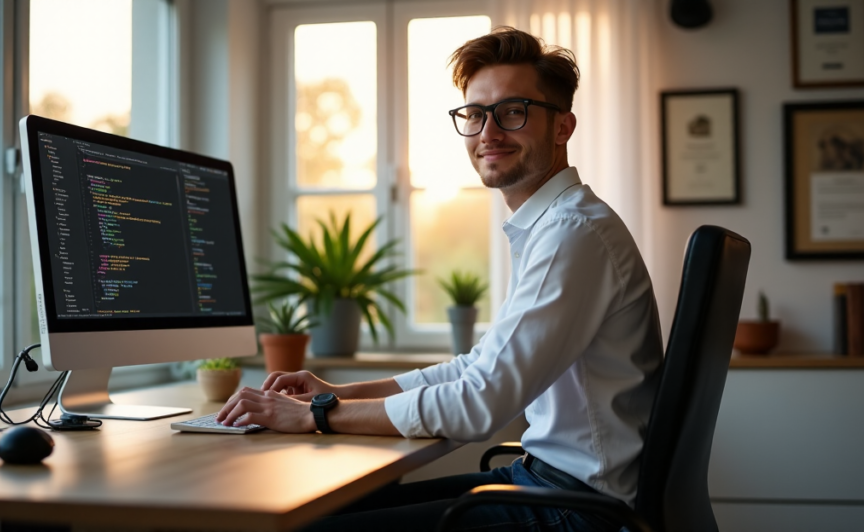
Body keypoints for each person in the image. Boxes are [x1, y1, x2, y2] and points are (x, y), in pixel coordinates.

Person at [217, 26, 663, 532]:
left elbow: (479, 402)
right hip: (553, 484)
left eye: (512, 111)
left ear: (562, 127)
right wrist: (342, 392)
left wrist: (318, 413)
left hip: (579, 508)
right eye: (475, 114)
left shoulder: (571, 233)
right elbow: (479, 366)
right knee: (328, 510)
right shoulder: (558, 224)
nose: (488, 133)